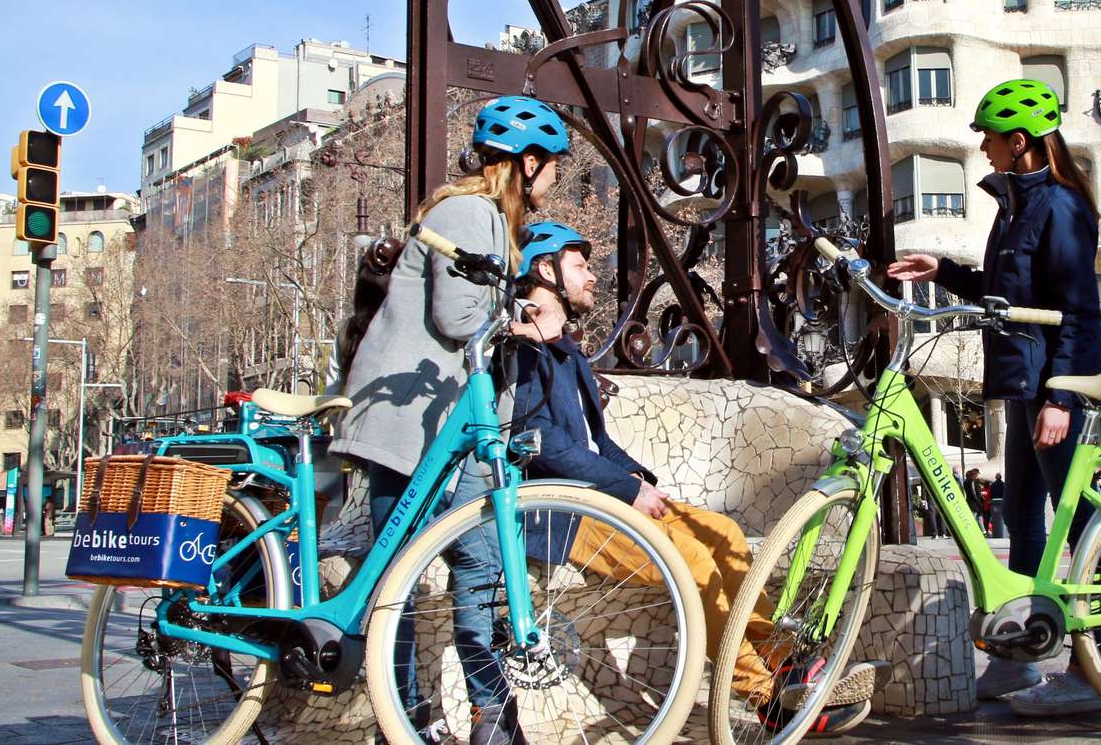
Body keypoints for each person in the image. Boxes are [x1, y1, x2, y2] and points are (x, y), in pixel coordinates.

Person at [506, 222, 882, 735]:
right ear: (545, 270)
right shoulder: (524, 350)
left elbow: (596, 442)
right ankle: (767, 696)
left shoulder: (564, 350)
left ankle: (785, 662)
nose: (592, 276)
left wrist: (639, 481)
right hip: (567, 513)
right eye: (580, 266)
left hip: (608, 497)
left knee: (723, 534)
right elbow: (543, 444)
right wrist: (627, 489)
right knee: (693, 560)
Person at [329, 95, 572, 745]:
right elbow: (458, 317)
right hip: (409, 418)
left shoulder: (494, 221)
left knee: (482, 567)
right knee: (396, 583)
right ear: (527, 162)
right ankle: (404, 721)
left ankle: (493, 722)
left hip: (450, 426)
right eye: (553, 165)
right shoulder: (469, 212)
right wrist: (527, 320)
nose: (555, 178)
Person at [886, 78, 1101, 716]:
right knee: (1023, 518)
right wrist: (944, 271)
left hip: (1053, 385)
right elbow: (1006, 290)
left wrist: (1061, 396)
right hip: (1020, 381)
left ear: (1020, 141)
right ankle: (1019, 657)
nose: (982, 146)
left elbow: (1078, 309)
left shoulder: (1060, 207)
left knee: (1079, 525)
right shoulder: (1015, 205)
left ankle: (1089, 673)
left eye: (988, 137)